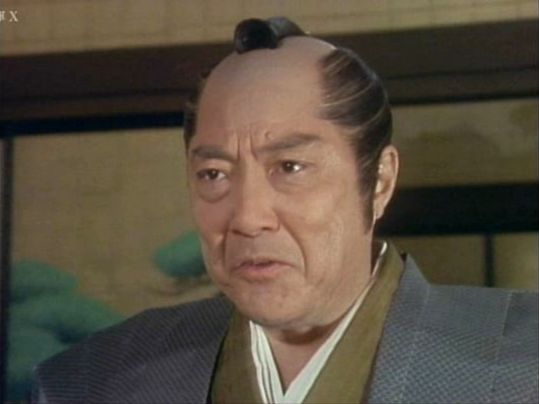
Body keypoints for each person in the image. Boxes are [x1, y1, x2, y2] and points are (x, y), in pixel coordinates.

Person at [32, 17, 538, 404]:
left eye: (290, 167)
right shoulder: (91, 381)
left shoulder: (524, 361)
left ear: (380, 181)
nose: (248, 217)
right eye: (214, 174)